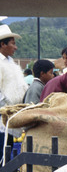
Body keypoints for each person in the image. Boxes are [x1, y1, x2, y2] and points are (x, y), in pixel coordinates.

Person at [0, 25, 29, 161]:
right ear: (2, 44)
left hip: (10, 119)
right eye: (13, 43)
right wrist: (5, 108)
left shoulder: (11, 63)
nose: (15, 47)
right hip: (2, 118)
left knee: (6, 155)